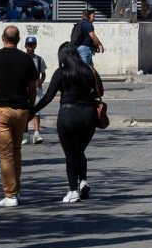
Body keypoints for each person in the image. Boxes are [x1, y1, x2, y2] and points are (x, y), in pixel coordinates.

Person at [30, 42, 104, 203]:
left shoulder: (61, 73)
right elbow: (101, 92)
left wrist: (32, 111)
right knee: (79, 151)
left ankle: (73, 191)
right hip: (89, 115)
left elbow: (48, 97)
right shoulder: (89, 70)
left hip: (68, 116)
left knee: (71, 154)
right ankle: (83, 181)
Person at [0, 26, 39, 207]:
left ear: (3, 38)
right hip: (21, 110)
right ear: (18, 40)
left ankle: (10, 195)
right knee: (16, 151)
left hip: (1, 110)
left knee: (5, 155)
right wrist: (31, 108)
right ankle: (16, 190)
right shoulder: (27, 59)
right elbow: (32, 87)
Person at [23, 36, 47, 144]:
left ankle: (36, 133)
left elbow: (43, 74)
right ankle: (25, 134)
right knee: (24, 111)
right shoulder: (21, 58)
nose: (31, 48)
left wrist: (41, 81)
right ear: (25, 46)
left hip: (36, 89)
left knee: (36, 110)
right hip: (24, 88)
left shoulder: (39, 59)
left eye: (32, 45)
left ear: (35, 46)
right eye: (29, 45)